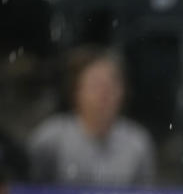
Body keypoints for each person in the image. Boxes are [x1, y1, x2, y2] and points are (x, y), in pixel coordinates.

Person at [28, 46, 155, 186]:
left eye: (111, 85)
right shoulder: (50, 139)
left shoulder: (138, 142)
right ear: (76, 91)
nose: (104, 93)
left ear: (123, 91)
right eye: (96, 85)